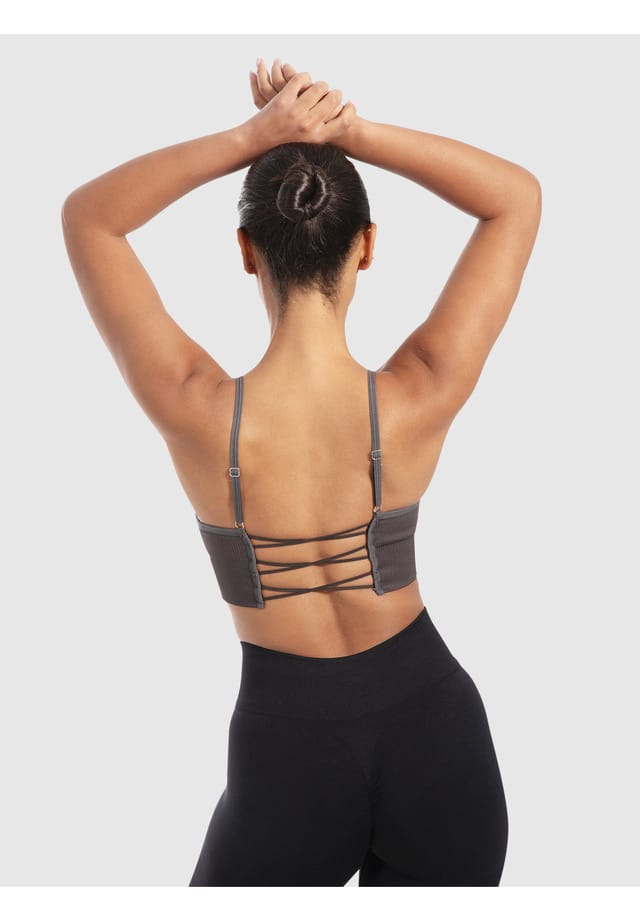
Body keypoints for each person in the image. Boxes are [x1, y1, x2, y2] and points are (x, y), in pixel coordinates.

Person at [61, 56, 541, 886]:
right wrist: (349, 130)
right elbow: (516, 198)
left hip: (287, 756)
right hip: (439, 741)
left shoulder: (195, 408)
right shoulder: (420, 391)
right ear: (368, 245)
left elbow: (89, 218)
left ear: (247, 252)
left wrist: (256, 136)